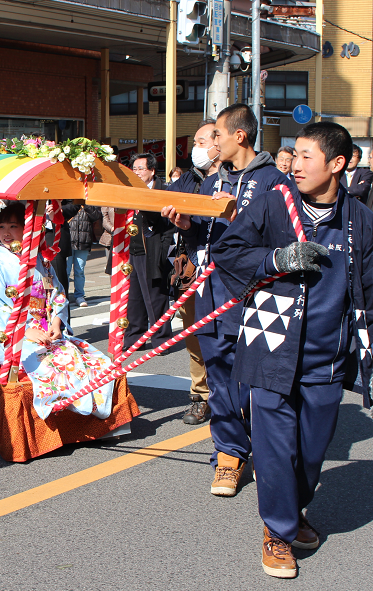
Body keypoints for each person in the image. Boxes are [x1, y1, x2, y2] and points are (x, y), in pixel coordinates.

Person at [211, 122, 373, 579]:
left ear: (337, 164)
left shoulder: (360, 220)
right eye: (294, 155)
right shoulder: (273, 203)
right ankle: (277, 533)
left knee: (311, 451)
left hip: (328, 357)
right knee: (274, 446)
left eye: (306, 157)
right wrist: (275, 260)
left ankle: (292, 510)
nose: (295, 165)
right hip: (270, 345)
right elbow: (229, 251)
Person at [162, 103, 294, 497]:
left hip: (256, 295)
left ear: (239, 136)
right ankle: (229, 455)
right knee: (218, 374)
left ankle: (267, 450)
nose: (210, 143)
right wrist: (187, 223)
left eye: (216, 135)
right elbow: (204, 230)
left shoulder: (274, 181)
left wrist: (238, 219)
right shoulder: (211, 180)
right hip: (210, 289)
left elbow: (280, 238)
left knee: (257, 379)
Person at [0, 202, 114, 419]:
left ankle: (87, 412)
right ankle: (69, 411)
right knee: (54, 365)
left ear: (27, 229)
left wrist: (56, 323)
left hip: (45, 329)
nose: (6, 233)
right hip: (11, 335)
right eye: (2, 227)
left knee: (92, 361)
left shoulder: (40, 259)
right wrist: (24, 332)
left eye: (13, 226)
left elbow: (57, 293)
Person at [166, 119, 219, 426]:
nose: (195, 150)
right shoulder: (189, 178)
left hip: (226, 272)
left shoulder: (236, 180)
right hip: (191, 269)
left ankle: (232, 396)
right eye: (195, 143)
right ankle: (201, 396)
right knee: (194, 336)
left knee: (228, 337)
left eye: (201, 143)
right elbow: (163, 201)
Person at [124, 152, 175, 350]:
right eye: (134, 169)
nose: (136, 173)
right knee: (133, 297)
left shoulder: (162, 190)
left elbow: (166, 225)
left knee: (155, 296)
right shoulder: (129, 190)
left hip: (152, 249)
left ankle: (161, 338)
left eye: (140, 169)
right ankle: (134, 338)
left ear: (152, 171)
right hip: (132, 248)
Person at [66, 202, 101, 307]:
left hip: (84, 240)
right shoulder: (69, 202)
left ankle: (79, 296)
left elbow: (96, 216)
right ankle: (64, 295)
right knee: (65, 271)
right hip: (68, 240)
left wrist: (85, 205)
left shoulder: (90, 202)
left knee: (79, 270)